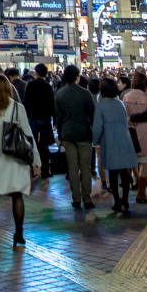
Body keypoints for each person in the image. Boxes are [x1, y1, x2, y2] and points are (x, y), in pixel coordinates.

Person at [0, 74, 40, 258]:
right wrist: (36, 161)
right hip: (15, 158)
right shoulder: (17, 107)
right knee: (17, 196)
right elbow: (28, 135)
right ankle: (19, 235)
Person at [54, 65, 97, 210]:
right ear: (77, 77)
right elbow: (91, 114)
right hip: (84, 133)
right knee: (85, 167)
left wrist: (60, 135)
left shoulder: (59, 94)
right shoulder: (85, 93)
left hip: (67, 133)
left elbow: (58, 118)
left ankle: (76, 199)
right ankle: (87, 198)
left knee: (72, 168)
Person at [92, 78, 137, 217]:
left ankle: (117, 201)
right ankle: (125, 200)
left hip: (109, 140)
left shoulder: (101, 106)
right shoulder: (120, 103)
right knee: (124, 172)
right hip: (124, 139)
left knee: (112, 172)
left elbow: (97, 127)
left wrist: (95, 141)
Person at [122, 72, 147, 204]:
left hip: (131, 132)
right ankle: (141, 194)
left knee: (141, 163)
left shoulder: (126, 97)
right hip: (146, 132)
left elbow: (125, 115)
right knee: (144, 165)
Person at [22, 62, 58, 165]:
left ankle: (34, 164)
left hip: (32, 117)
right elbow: (52, 105)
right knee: (44, 144)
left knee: (32, 143)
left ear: (36, 73)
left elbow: (25, 101)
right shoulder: (48, 87)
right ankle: (45, 166)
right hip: (45, 118)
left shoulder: (30, 85)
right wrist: (55, 120)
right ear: (46, 74)